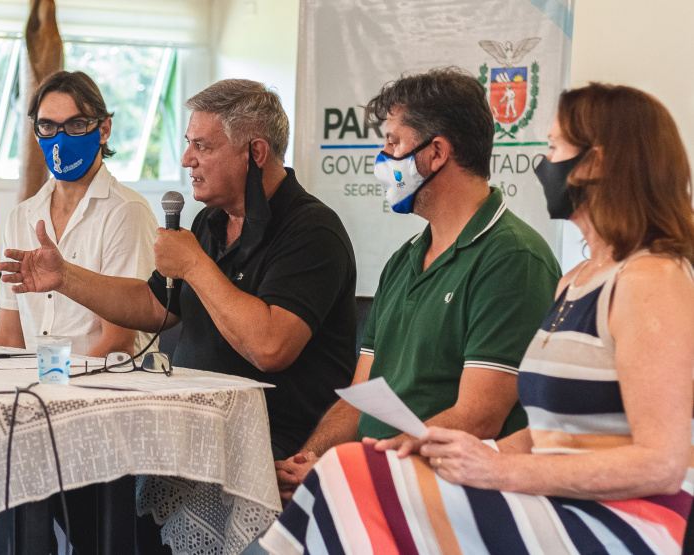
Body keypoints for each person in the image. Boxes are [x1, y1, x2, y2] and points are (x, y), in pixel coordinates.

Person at [262, 83, 694, 554]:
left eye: (553, 148)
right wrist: (440, 452)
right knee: (348, 474)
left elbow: (663, 464)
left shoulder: (653, 278)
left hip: (617, 521)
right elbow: (548, 432)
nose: (542, 164)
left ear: (596, 163)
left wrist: (498, 469)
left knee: (350, 479)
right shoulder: (576, 280)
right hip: (554, 498)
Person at [0, 78, 358, 461]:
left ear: (255, 153)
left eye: (202, 146)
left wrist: (194, 264)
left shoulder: (312, 230)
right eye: (188, 143)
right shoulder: (210, 222)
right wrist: (66, 277)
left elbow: (270, 347)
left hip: (274, 442)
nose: (187, 159)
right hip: (192, 426)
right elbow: (154, 307)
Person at [275, 67, 560, 502]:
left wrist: (357, 469)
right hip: (374, 478)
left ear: (437, 152)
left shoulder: (513, 259)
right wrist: (311, 458)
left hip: (446, 492)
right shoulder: (404, 259)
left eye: (393, 143)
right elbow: (360, 397)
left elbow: (478, 416)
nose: (382, 157)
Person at [0, 71, 157, 356]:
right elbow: (8, 339)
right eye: (48, 126)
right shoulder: (21, 217)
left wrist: (54, 390)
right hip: (38, 388)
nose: (60, 138)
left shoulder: (126, 213)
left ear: (104, 130)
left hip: (107, 389)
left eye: (77, 125)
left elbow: (118, 344)